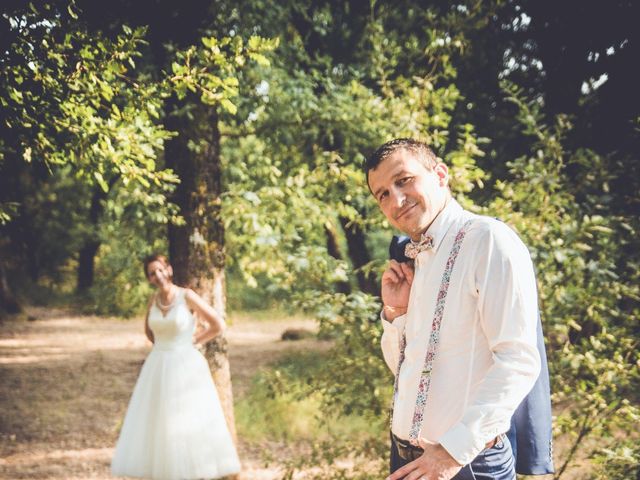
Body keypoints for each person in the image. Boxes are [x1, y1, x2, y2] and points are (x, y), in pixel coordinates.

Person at [365, 138, 542, 480]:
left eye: (404, 180)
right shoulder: (412, 258)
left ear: (440, 174)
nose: (396, 200)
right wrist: (396, 313)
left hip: (466, 465)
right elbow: (405, 371)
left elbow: (518, 361)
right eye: (383, 193)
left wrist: (451, 453)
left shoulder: (488, 240)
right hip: (405, 458)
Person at [111, 254, 241, 480]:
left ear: (169, 270)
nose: (158, 276)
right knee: (158, 420)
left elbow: (217, 324)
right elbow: (149, 332)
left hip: (184, 364)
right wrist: (163, 344)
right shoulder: (153, 301)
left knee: (185, 419)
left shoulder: (186, 296)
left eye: (160, 270)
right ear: (149, 279)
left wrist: (192, 340)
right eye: (152, 273)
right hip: (158, 365)